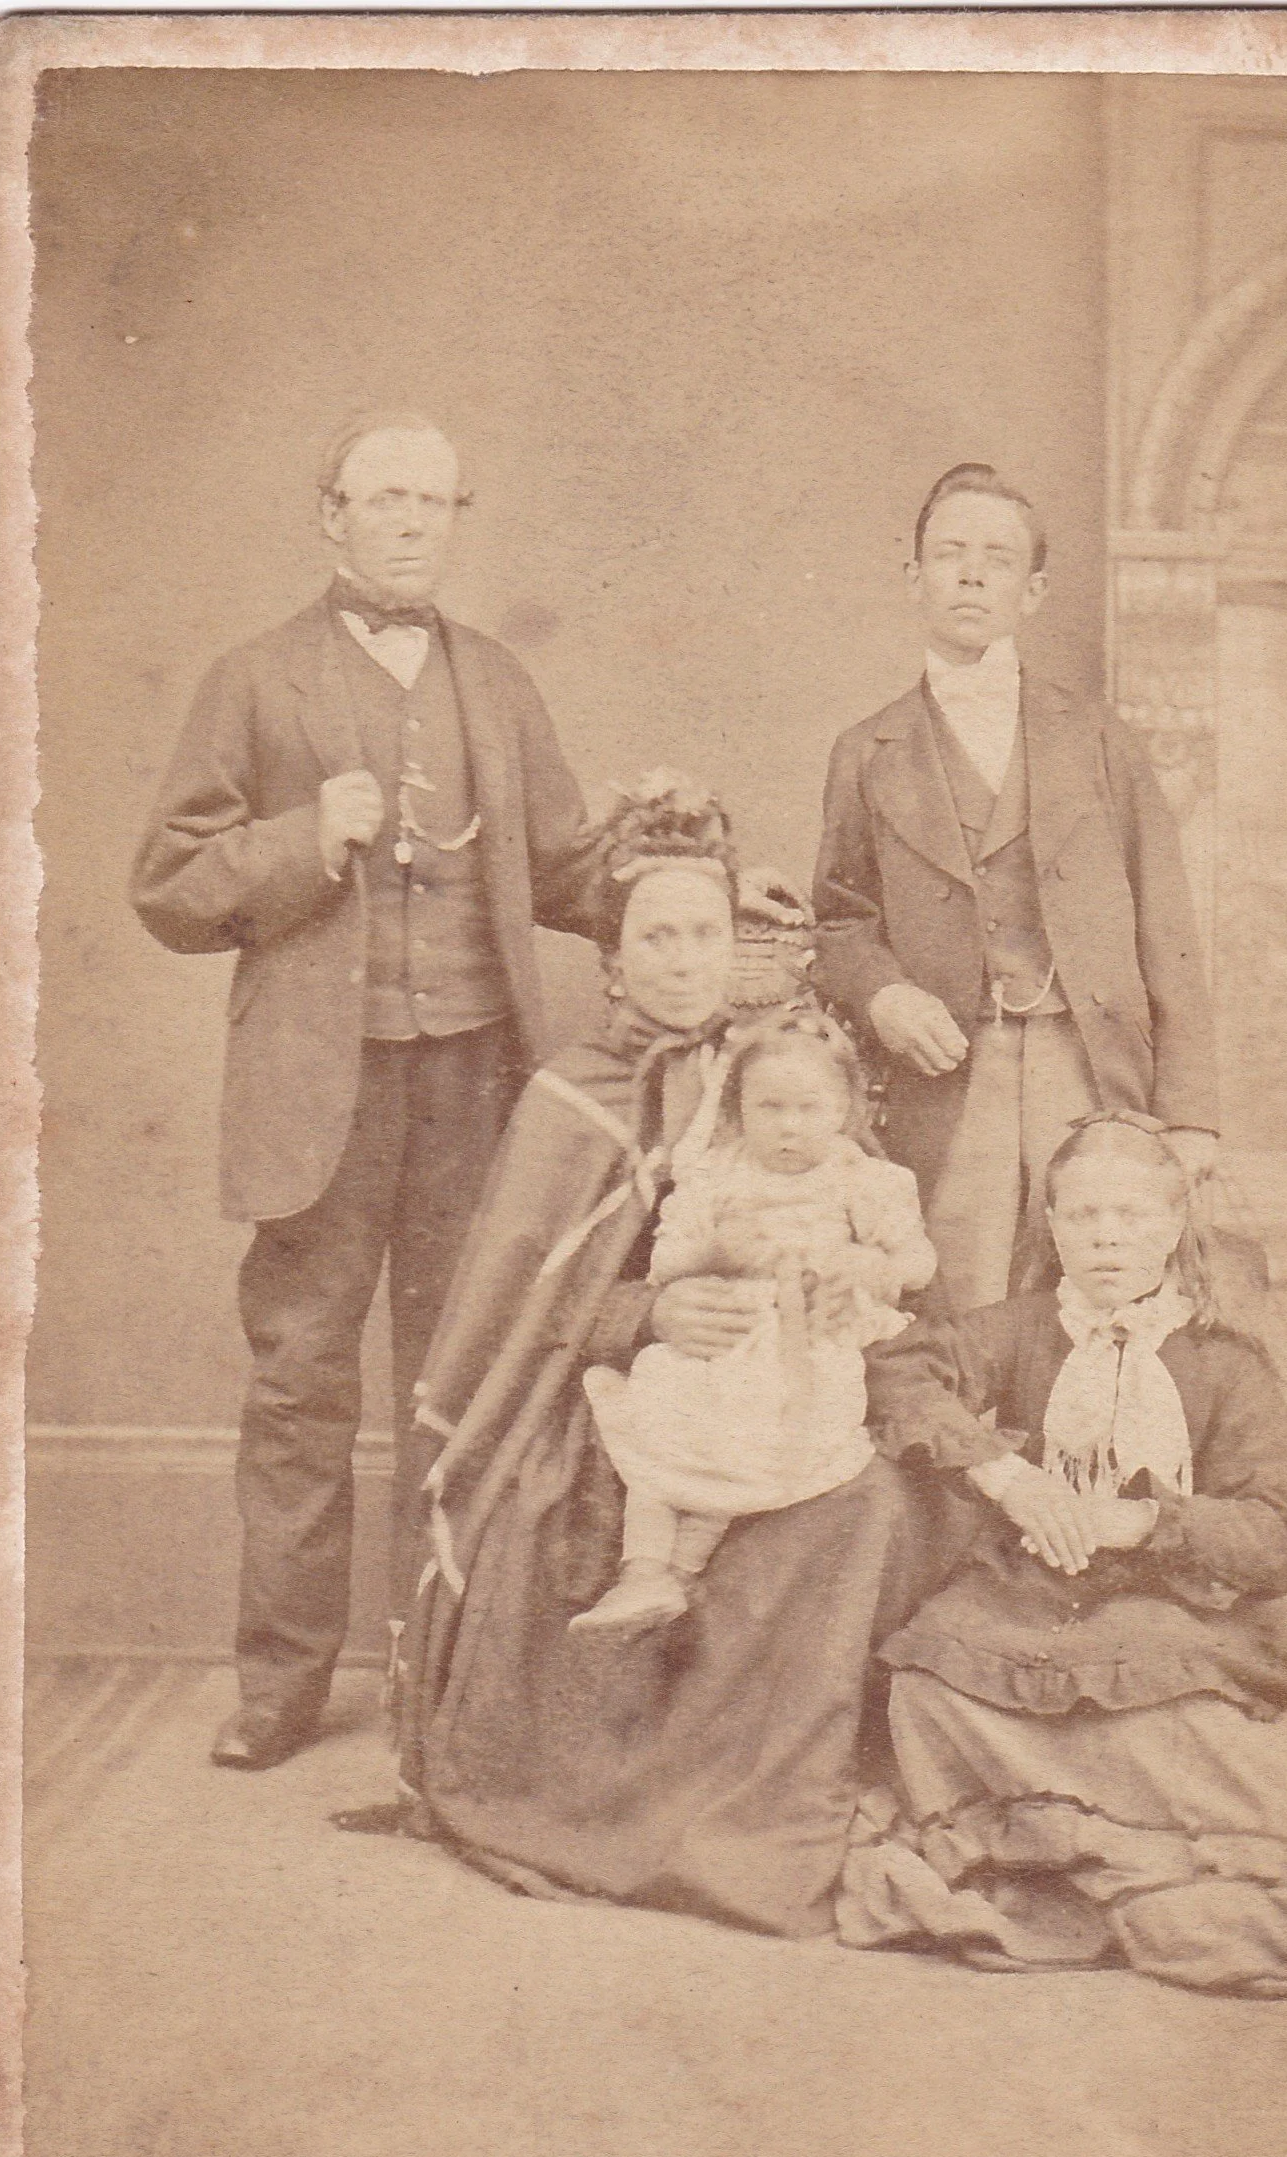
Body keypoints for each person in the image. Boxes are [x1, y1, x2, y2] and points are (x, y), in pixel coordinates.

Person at [337, 779, 964, 1942]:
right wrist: (654, 1317)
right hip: (614, 1395)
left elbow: (872, 1237)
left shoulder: (781, 1077)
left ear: (736, 948)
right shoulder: (574, 1094)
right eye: (655, 938)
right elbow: (528, 1315)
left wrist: (842, 1283)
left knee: (871, 1504)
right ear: (614, 961)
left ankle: (771, 1790)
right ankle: (629, 1798)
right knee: (565, 1520)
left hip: (794, 1386)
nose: (682, 961)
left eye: (705, 934)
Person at [130, 410, 598, 1771]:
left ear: (457, 519)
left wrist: (673, 869)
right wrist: (297, 839)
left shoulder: (498, 684)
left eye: (433, 501)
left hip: (472, 1085)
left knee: (456, 1387)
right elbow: (168, 883)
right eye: (382, 497)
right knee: (302, 1393)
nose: (409, 521)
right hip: (314, 1099)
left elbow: (566, 868)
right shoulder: (255, 678)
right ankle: (279, 1689)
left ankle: (438, 1676)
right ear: (328, 514)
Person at [838, 1114, 1287, 1997]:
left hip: (1171, 1603)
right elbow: (903, 1376)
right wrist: (1008, 1479)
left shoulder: (1226, 1358)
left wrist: (1145, 1526)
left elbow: (1283, 1538)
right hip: (1028, 1595)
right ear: (1053, 1228)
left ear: (1176, 1227)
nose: (1107, 1237)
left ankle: (1139, 1867)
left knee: (1160, 1713)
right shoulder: (1020, 1328)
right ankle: (1042, 1863)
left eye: (1133, 1217)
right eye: (1084, 1216)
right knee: (927, 1686)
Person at [813, 461, 1220, 1315]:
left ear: (1032, 592)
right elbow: (842, 922)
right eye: (950, 552)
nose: (970, 573)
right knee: (953, 1293)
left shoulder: (1100, 738)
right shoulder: (865, 749)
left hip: (1086, 1053)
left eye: (997, 558)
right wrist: (884, 995)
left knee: (1096, 1282)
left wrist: (1189, 1111)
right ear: (913, 577)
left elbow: (1169, 924)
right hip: (950, 1069)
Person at [572, 1010, 936, 1638]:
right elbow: (665, 1262)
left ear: (846, 1108)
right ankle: (643, 1569)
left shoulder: (859, 1178)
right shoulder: (717, 1174)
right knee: (663, 1402)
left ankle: (679, 1574)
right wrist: (715, 1254)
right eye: (770, 1108)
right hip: (723, 1331)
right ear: (740, 1107)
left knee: (753, 1433)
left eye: (809, 1108)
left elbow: (918, 1263)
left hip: (805, 1339)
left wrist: (865, 1264)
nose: (789, 1128)